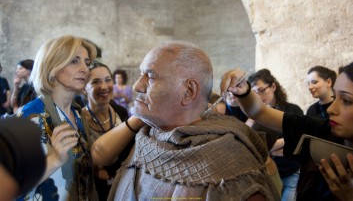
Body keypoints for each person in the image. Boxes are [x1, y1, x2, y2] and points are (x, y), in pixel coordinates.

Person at [94, 41, 279, 201]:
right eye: (141, 74)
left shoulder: (230, 161)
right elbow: (99, 154)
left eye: (150, 77)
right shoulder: (147, 135)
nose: (137, 86)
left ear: (189, 91)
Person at [220, 64, 353, 201]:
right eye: (335, 96)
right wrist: (243, 89)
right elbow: (260, 112)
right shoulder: (321, 130)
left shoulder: (295, 110)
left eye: (347, 101)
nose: (331, 109)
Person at [15, 35, 98, 200]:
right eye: (74, 61)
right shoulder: (30, 116)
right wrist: (54, 159)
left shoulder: (78, 114)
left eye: (87, 62)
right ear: (52, 67)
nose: (85, 69)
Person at [247, 69, 303, 201]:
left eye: (262, 90)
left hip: (291, 171)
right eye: (255, 92)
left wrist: (270, 147)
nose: (259, 96)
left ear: (273, 86)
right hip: (267, 173)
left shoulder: (293, 110)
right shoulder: (255, 114)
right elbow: (250, 144)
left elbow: (300, 139)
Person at [81, 61, 132, 201]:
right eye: (95, 82)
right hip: (95, 190)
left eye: (108, 80)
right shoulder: (79, 120)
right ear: (83, 88)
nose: (104, 87)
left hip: (123, 186)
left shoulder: (121, 112)